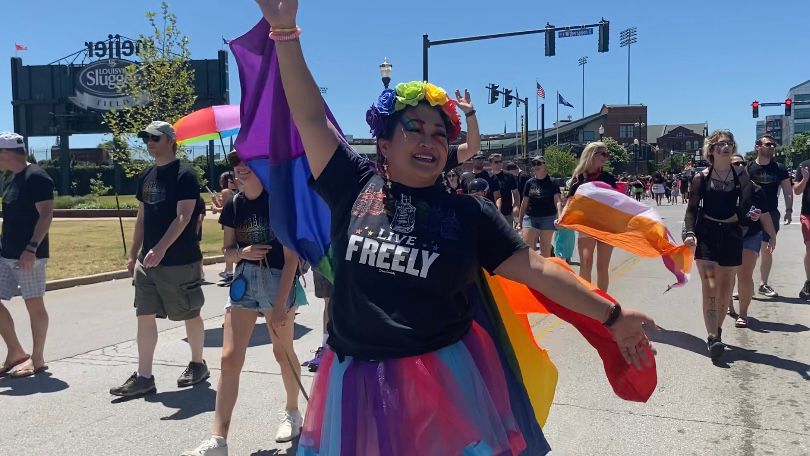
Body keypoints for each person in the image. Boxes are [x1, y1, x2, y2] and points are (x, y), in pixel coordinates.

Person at [255, 2, 656, 453]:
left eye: (441, 134)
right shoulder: (352, 183)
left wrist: (613, 316)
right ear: (384, 143)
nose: (430, 141)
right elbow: (309, 117)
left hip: (440, 383)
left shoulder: (471, 215)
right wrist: (285, 32)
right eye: (416, 129)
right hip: (355, 383)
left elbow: (541, 270)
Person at [183, 152, 308, 455]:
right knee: (229, 359)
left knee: (283, 352)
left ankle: (292, 411)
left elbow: (292, 258)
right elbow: (226, 252)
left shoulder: (278, 200)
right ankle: (218, 439)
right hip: (243, 283)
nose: (241, 165)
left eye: (248, 160)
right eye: (236, 160)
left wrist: (280, 304)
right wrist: (242, 252)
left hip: (278, 279)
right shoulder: (234, 204)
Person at [110, 121, 209, 397]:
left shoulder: (185, 174)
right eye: (145, 139)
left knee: (189, 312)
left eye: (154, 138)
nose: (149, 143)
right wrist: (134, 254)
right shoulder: (146, 175)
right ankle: (144, 376)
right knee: (144, 315)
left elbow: (184, 216)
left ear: (170, 140)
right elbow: (142, 216)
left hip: (179, 260)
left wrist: (162, 248)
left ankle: (198, 363)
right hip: (147, 262)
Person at [683, 130, 760, 361]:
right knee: (710, 286)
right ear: (711, 150)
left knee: (725, 288)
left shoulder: (741, 176)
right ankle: (712, 338)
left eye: (729, 143)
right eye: (720, 144)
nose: (725, 147)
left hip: (732, 235)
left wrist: (751, 214)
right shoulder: (701, 177)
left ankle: (717, 330)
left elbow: (745, 207)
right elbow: (691, 210)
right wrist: (689, 233)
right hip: (707, 234)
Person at [0, 132, 54, 378]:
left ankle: (38, 359)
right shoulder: (11, 178)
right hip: (7, 253)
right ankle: (15, 352)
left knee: (34, 304)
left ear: (7, 153)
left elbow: (46, 215)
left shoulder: (37, 177)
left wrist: (31, 248)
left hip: (30, 255)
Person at [728, 153, 776, 328]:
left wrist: (772, 236)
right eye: (735, 163)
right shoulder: (721, 187)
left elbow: (765, 214)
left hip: (751, 234)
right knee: (729, 273)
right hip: (728, 236)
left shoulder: (755, 189)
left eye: (742, 163)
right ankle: (729, 306)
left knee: (744, 273)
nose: (739, 165)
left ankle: (743, 313)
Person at [746, 134, 793, 298]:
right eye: (768, 144)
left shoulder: (779, 168)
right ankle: (746, 285)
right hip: (751, 214)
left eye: (773, 145)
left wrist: (789, 210)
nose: (772, 147)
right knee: (749, 252)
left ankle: (763, 284)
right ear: (758, 147)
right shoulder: (748, 168)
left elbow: (788, 191)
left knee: (767, 250)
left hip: (771, 213)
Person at [567, 142, 617, 291]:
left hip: (607, 225)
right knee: (586, 263)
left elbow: (618, 201)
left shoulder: (608, 177)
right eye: (603, 154)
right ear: (592, 154)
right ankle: (586, 300)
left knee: (602, 267)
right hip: (587, 225)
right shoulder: (579, 178)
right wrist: (562, 218)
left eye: (607, 154)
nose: (606, 158)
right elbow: (570, 201)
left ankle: (603, 303)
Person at [517, 157, 562, 257]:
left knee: (545, 249)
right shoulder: (529, 183)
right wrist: (519, 221)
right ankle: (531, 271)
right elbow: (524, 202)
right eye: (534, 164)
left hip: (548, 217)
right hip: (530, 217)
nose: (536, 166)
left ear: (544, 165)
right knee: (529, 249)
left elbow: (558, 201)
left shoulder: (553, 182)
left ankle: (544, 271)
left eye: (539, 163)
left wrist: (560, 217)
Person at [211, 171, 239, 283]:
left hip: (229, 223)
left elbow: (225, 209)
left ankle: (229, 273)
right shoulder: (238, 192)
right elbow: (224, 206)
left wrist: (215, 208)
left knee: (228, 248)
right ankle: (230, 271)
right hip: (238, 223)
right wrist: (215, 202)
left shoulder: (226, 191)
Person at [794, 161, 810, 300]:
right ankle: (809, 282)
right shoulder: (804, 165)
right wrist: (805, 178)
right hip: (808, 214)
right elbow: (797, 191)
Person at [490, 153, 520, 226]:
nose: (499, 164)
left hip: (507, 213)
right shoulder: (488, 176)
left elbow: (516, 193)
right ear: (490, 163)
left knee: (507, 236)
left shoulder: (509, 175)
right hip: (490, 213)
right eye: (496, 162)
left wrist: (516, 206)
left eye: (500, 161)